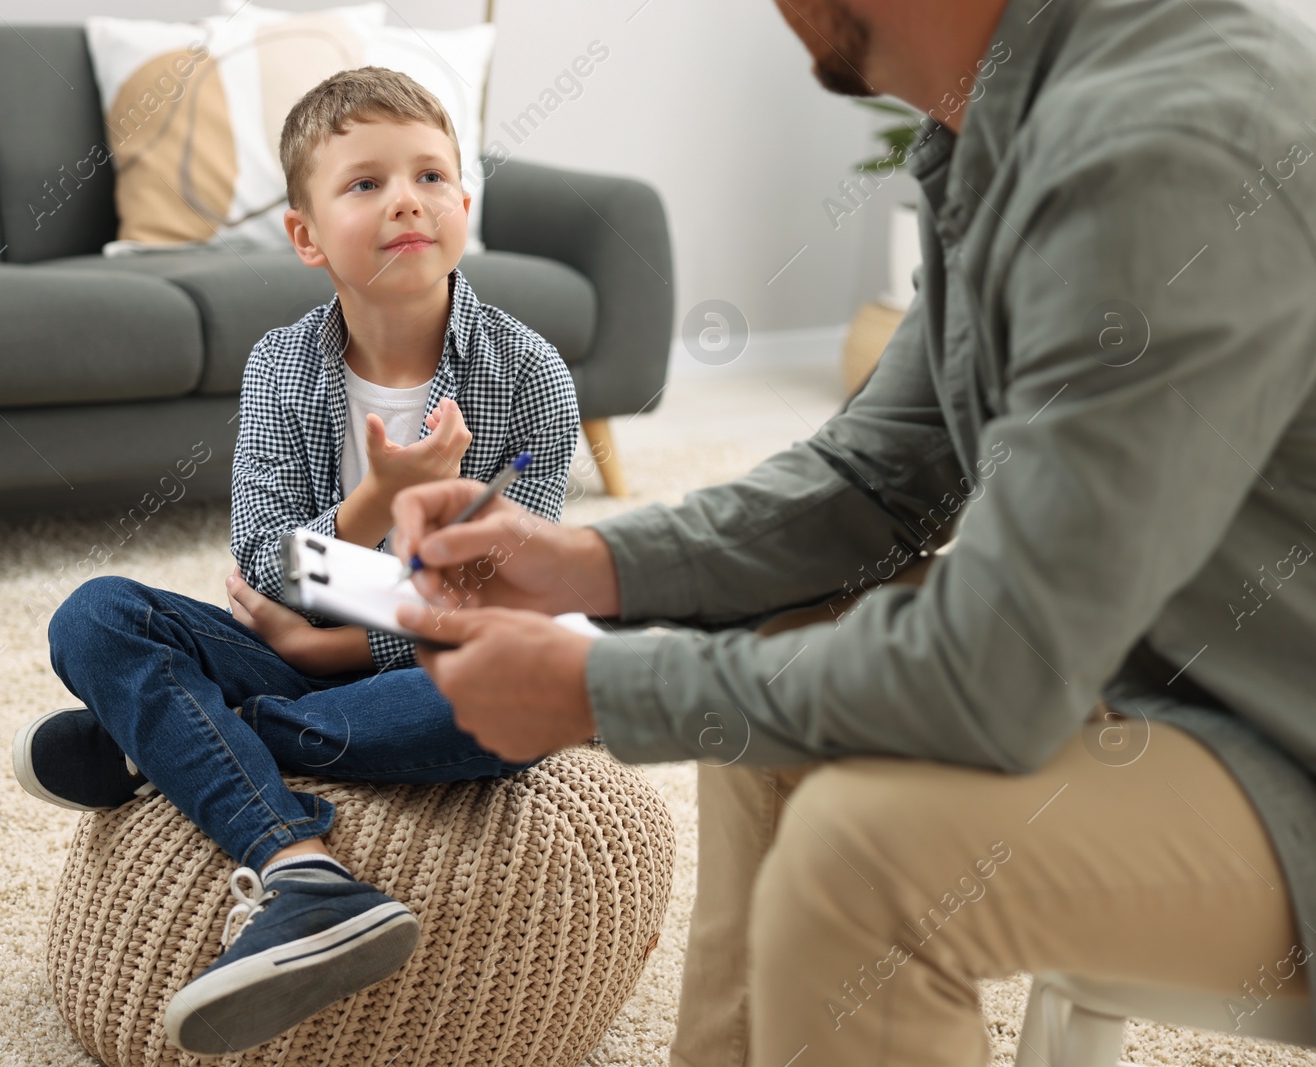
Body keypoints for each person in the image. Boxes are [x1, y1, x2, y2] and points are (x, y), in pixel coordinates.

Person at [388, 0, 1316, 1063]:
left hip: (1285, 737)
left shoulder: (1162, 150)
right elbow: (877, 477)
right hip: (1177, 665)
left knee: (867, 857)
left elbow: (993, 675)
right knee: (778, 655)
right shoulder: (1011, 116)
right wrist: (588, 563)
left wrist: (600, 691)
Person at [13, 67, 579, 1057]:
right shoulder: (282, 364)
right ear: (306, 234)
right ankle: (305, 871)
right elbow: (264, 570)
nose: (405, 197)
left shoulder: (529, 379)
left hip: (431, 670)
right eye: (364, 183)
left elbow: (499, 606)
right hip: (282, 644)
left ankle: (172, 740)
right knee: (94, 614)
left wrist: (332, 651)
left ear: (463, 207)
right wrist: (373, 501)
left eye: (430, 176)